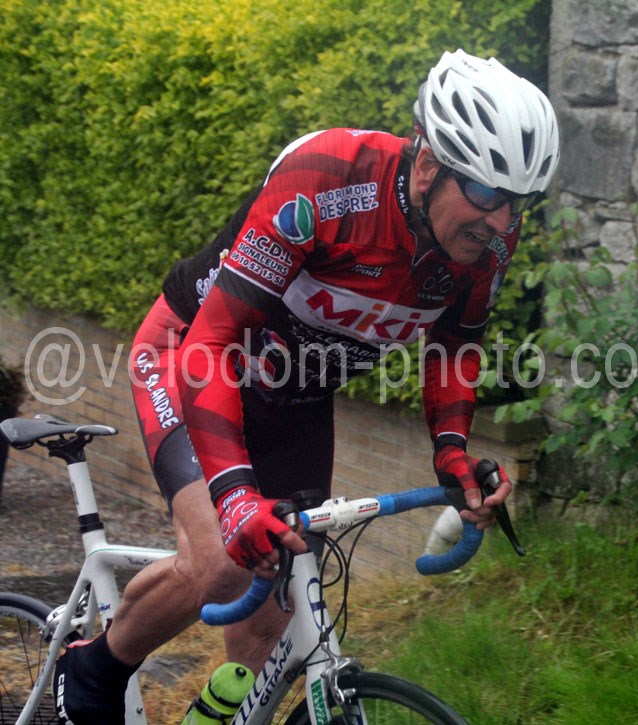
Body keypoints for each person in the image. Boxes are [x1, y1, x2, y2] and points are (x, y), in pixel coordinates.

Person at [53, 49, 559, 723]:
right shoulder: (324, 181)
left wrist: (451, 451)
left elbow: (455, 346)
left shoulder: (488, 241)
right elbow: (210, 345)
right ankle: (93, 669)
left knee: (280, 611)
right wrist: (236, 499)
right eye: (488, 195)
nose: (501, 221)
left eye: (517, 201)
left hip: (296, 399)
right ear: (429, 165)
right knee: (223, 562)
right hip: (190, 357)